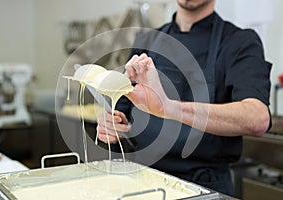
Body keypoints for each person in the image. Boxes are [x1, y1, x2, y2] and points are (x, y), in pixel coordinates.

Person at [96, 0, 271, 196]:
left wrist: (169, 108)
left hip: (205, 188)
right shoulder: (146, 41)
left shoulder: (239, 42)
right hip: (143, 182)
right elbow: (121, 112)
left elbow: (257, 118)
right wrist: (111, 125)